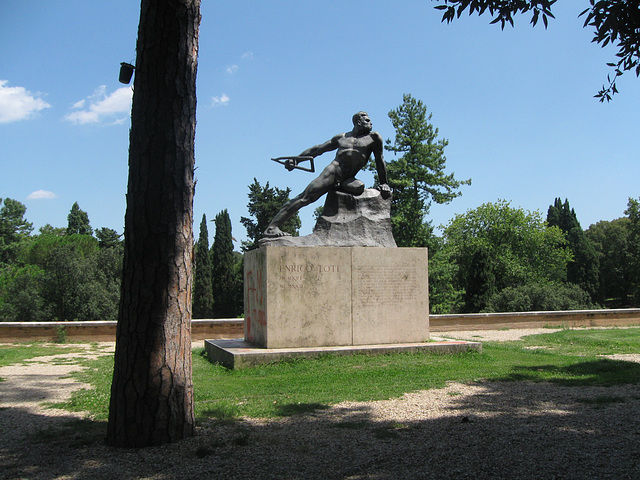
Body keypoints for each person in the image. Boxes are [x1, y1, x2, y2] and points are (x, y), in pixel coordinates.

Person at [263, 111, 391, 238]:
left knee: (359, 187)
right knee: (305, 197)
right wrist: (296, 159)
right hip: (332, 173)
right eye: (367, 120)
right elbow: (318, 149)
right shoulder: (342, 137)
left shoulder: (374, 138)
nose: (371, 123)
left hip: (348, 179)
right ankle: (272, 227)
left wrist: (384, 183)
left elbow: (380, 161)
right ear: (358, 122)